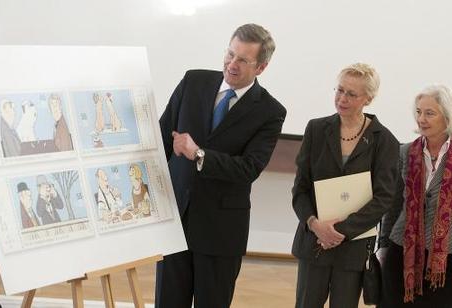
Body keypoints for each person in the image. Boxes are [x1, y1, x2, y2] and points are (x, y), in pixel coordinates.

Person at [156, 23, 286, 308]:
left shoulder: (270, 111)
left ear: (261, 68)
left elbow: (249, 169)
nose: (232, 64)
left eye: (243, 60)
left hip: (220, 232)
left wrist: (199, 154)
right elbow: (162, 138)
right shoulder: (193, 81)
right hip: (176, 221)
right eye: (230, 54)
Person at [291, 63, 399, 308]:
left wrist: (340, 232)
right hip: (314, 242)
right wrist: (315, 225)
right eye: (339, 90)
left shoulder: (385, 141)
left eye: (352, 94)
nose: (342, 98)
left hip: (353, 249)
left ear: (368, 99)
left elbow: (384, 198)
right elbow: (300, 188)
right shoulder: (316, 129)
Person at [379, 85, 452, 307]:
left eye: (430, 113)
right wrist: (383, 244)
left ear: (447, 117)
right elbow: (393, 204)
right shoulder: (405, 152)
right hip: (401, 249)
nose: (421, 119)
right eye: (418, 112)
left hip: (446, 256)